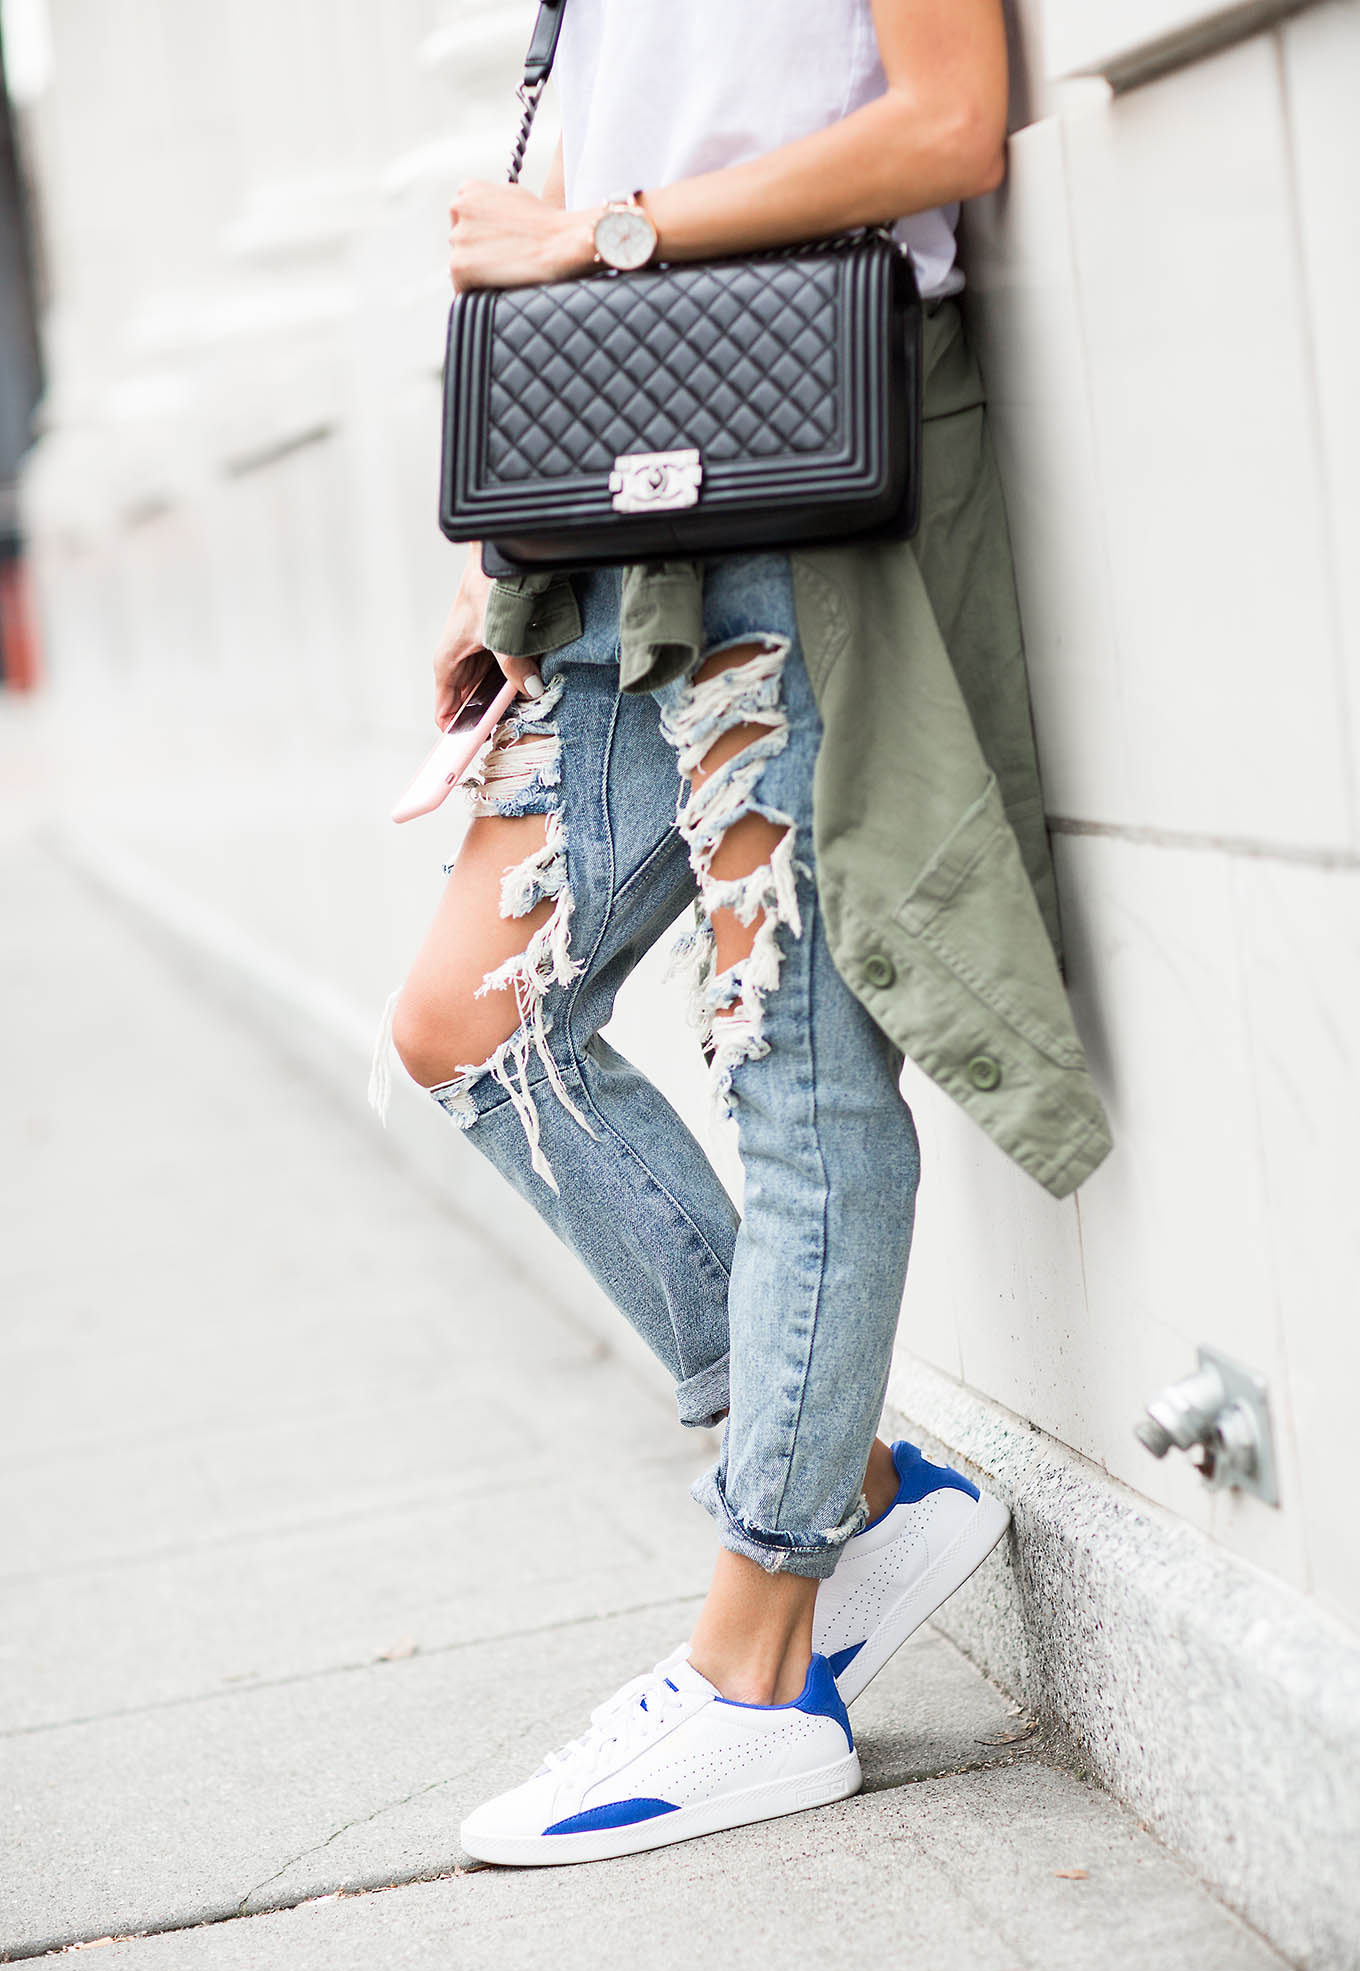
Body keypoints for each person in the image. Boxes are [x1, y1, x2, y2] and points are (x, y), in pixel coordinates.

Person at [386, 0, 1112, 1868]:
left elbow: (949, 121)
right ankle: (847, 1479)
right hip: (612, 486)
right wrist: (500, 555)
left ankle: (758, 1675)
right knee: (472, 1017)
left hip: (795, 421)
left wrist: (607, 231)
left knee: (791, 1057)